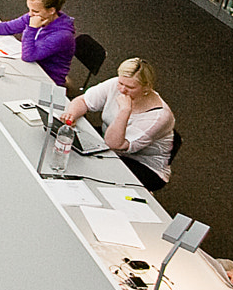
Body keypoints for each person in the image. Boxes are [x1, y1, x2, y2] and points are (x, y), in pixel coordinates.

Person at [58, 57, 175, 191]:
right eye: (121, 83)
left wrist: (124, 111)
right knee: (70, 144)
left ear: (146, 87)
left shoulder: (159, 117)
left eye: (130, 87)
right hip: (108, 142)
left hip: (142, 165)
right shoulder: (118, 84)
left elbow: (114, 144)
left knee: (87, 170)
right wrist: (71, 114)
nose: (122, 90)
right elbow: (83, 101)